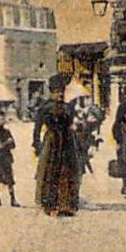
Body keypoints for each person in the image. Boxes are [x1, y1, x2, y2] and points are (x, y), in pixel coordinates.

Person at [32, 73, 82, 217]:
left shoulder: (68, 107)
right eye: (57, 91)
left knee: (67, 171)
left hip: (67, 141)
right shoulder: (44, 107)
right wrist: (37, 145)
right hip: (52, 141)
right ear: (51, 92)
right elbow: (37, 128)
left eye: (62, 91)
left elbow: (71, 123)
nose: (60, 94)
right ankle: (50, 204)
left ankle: (66, 204)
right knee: (51, 172)